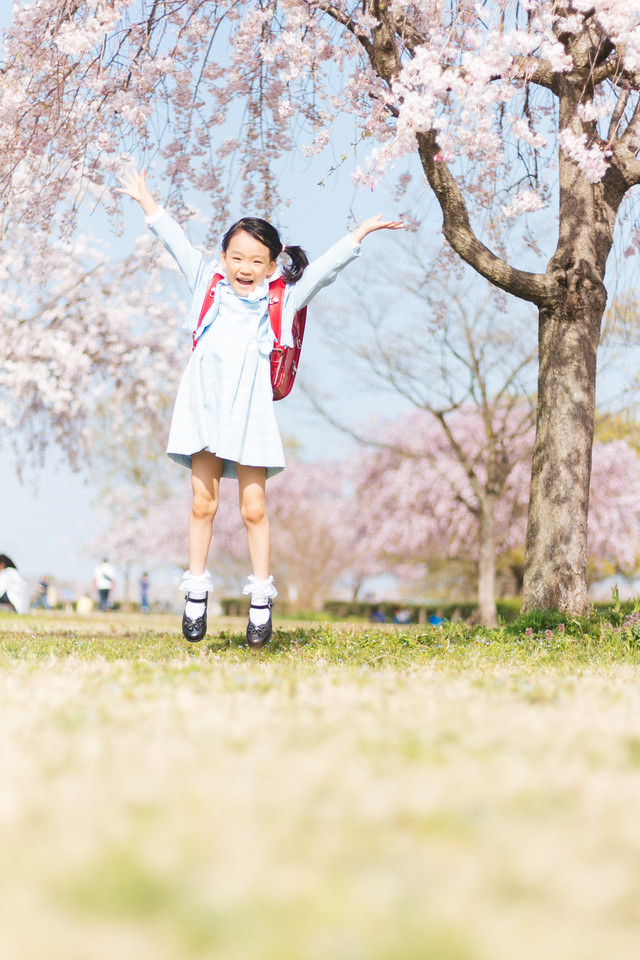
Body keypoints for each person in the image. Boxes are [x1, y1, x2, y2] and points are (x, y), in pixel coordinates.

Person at [117, 167, 403, 647]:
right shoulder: (206, 287)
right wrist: (148, 202)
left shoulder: (281, 302)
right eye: (236, 257)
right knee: (202, 502)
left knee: (253, 508)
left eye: (256, 259)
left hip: (248, 412)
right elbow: (176, 243)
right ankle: (196, 591)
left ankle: (260, 599)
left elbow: (325, 272)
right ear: (224, 257)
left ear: (273, 264)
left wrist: (358, 235)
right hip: (203, 408)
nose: (244, 266)